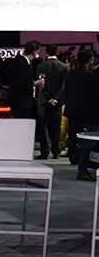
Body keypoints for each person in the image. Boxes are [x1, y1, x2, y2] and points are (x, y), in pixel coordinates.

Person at [62, 50, 99, 179]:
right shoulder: (90, 75)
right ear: (90, 59)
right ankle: (82, 167)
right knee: (87, 140)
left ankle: (73, 157)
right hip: (85, 112)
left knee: (73, 135)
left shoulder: (70, 74)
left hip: (72, 109)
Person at [35, 44, 68, 159]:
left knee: (43, 127)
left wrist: (49, 98)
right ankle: (56, 151)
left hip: (44, 102)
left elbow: (41, 85)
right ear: (57, 52)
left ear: (46, 52)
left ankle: (45, 152)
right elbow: (64, 86)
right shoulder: (64, 66)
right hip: (57, 102)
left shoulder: (41, 66)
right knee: (56, 127)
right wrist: (56, 99)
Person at [8, 41, 45, 119]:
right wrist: (36, 83)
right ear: (34, 51)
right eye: (38, 51)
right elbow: (21, 83)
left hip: (25, 102)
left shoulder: (26, 62)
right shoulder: (20, 63)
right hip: (21, 103)